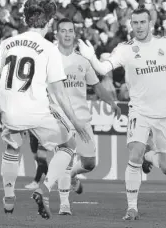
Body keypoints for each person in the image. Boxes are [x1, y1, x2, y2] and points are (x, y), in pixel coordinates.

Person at [77, 5, 166, 220]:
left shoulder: (165, 44)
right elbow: (103, 69)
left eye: (142, 22)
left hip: (165, 114)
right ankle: (132, 208)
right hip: (140, 112)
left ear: (150, 23)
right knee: (134, 153)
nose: (138, 26)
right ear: (130, 24)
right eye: (134, 23)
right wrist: (92, 57)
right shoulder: (125, 48)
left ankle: (148, 154)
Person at [0, 0, 90, 220]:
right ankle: (44, 188)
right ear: (48, 23)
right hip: (36, 112)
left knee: (12, 147)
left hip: (9, 111)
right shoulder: (49, 49)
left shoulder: (6, 43)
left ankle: (9, 197)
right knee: (68, 145)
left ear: (26, 20)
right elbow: (58, 92)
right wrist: (76, 121)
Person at [25, 18, 121, 216]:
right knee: (66, 157)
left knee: (89, 163)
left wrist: (111, 102)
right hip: (60, 118)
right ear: (57, 34)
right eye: (63, 31)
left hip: (82, 120)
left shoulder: (82, 61)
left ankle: (74, 176)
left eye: (70, 31)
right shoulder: (48, 59)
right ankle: (64, 205)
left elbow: (96, 87)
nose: (67, 34)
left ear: (74, 34)